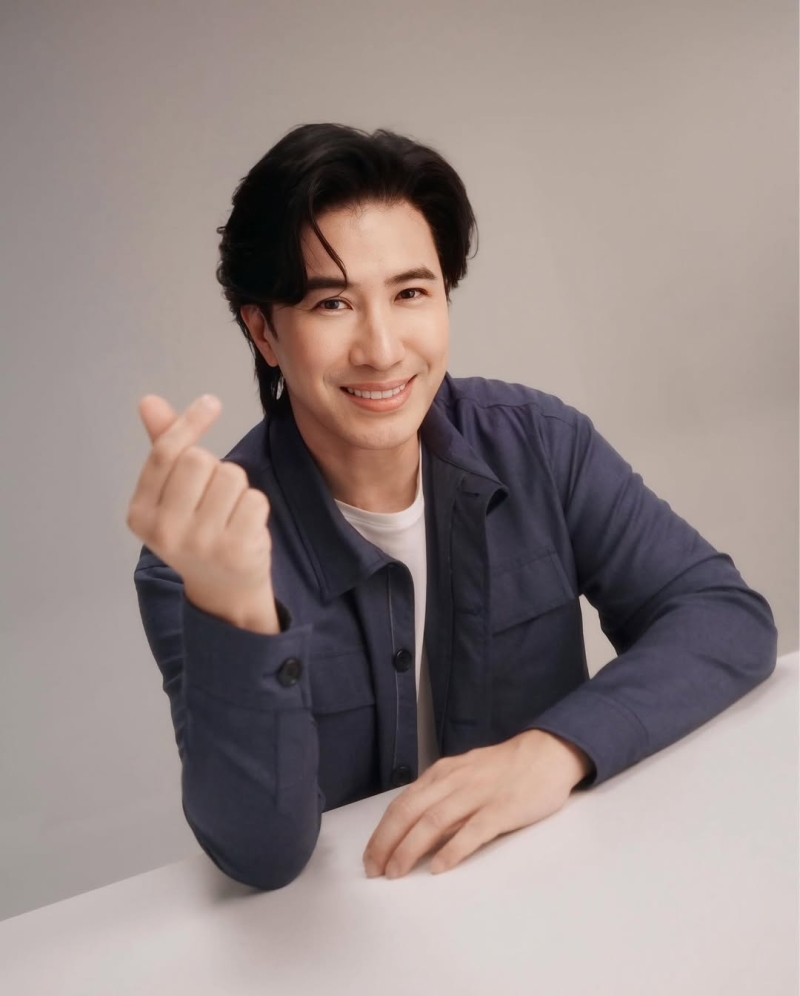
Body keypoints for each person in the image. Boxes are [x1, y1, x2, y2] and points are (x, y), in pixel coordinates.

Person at [128, 122, 778, 890]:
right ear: (264, 331)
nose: (382, 349)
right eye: (332, 303)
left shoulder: (539, 443)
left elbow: (722, 616)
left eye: (410, 293)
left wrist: (554, 749)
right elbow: (260, 855)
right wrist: (237, 608)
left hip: (559, 883)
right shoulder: (198, 551)